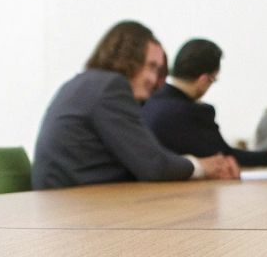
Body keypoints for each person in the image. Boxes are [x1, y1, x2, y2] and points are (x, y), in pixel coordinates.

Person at [32, 21, 239, 189]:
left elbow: (147, 160)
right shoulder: (112, 87)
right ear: (127, 58)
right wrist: (203, 166)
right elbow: (154, 165)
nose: (154, 79)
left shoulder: (87, 84)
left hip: (68, 202)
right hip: (76, 207)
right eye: (151, 66)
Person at [144, 39, 267, 169]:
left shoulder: (147, 102)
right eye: (213, 80)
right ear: (204, 79)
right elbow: (225, 157)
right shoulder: (194, 112)